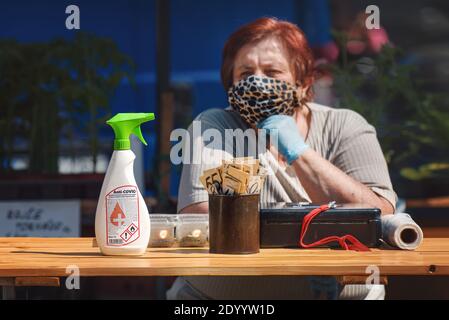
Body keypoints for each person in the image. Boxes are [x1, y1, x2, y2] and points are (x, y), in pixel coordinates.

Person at [167, 17, 397, 300]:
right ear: (230, 84)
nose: (257, 82)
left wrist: (298, 152)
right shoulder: (213, 127)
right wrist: (324, 225)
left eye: (272, 72)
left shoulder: (346, 126)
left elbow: (380, 214)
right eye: (245, 73)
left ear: (303, 83)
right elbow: (202, 220)